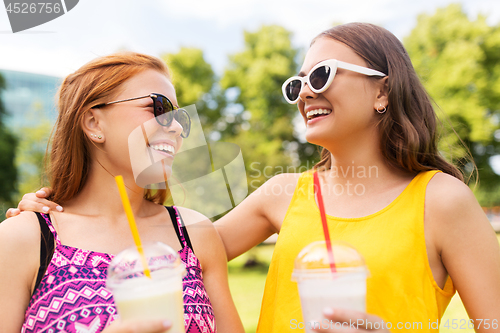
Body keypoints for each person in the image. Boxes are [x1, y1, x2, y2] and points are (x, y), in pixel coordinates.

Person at [8, 23, 500, 332]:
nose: (305, 92)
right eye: (297, 83)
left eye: (322, 75)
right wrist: (49, 217)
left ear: (383, 92)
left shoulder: (441, 201)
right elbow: (172, 248)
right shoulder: (283, 195)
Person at [0, 52, 244, 333]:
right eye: (159, 108)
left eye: (180, 117)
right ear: (94, 123)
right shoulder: (22, 239)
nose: (176, 127)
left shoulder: (196, 232)